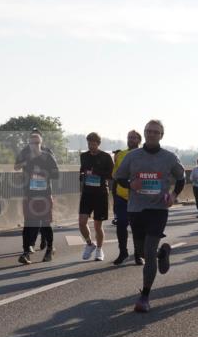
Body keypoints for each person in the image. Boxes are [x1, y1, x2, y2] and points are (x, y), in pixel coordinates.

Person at [114, 119, 186, 313]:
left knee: (149, 247)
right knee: (142, 252)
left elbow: (181, 177)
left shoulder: (169, 157)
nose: (152, 134)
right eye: (149, 131)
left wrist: (173, 195)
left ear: (162, 135)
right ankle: (163, 253)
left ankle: (144, 296)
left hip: (158, 209)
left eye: (156, 132)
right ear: (144, 134)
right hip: (136, 208)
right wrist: (130, 184)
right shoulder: (133, 156)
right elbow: (119, 177)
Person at [14, 130, 60, 264]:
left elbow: (56, 175)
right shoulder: (26, 156)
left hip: (44, 195)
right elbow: (16, 167)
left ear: (41, 143)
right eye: (31, 143)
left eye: (36, 143)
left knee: (45, 223)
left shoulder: (48, 156)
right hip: (29, 195)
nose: (34, 145)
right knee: (28, 223)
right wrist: (23, 165)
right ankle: (26, 253)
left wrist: (43, 175)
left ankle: (50, 248)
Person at [78, 132, 114, 262]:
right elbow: (82, 170)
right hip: (87, 193)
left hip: (100, 194)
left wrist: (96, 172)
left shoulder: (105, 157)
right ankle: (89, 244)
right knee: (82, 223)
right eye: (89, 143)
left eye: (93, 143)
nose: (91, 146)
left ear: (98, 144)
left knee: (98, 226)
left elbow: (111, 175)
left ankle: (99, 249)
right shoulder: (84, 156)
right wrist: (82, 176)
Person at [111, 130, 142, 264]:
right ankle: (123, 252)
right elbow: (115, 176)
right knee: (121, 225)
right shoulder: (120, 154)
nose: (131, 140)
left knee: (137, 227)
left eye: (134, 138)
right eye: (129, 137)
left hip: (138, 197)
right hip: (121, 196)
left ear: (139, 140)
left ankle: (138, 254)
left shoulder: (144, 154)